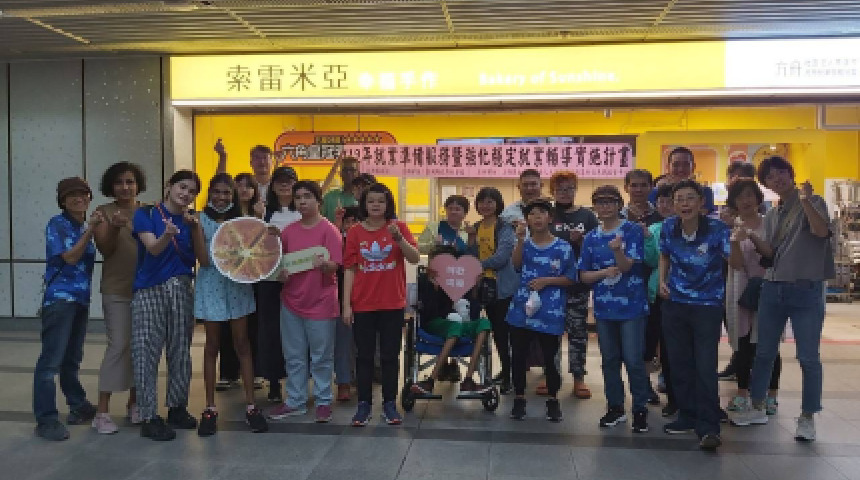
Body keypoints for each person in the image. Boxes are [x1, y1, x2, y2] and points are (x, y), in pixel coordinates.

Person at [729, 156, 834, 442]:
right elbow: (771, 254)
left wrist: (806, 200)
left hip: (806, 289)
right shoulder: (774, 214)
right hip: (773, 288)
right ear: (767, 184)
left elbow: (821, 231)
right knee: (764, 352)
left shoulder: (815, 202)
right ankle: (758, 406)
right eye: (771, 177)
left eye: (781, 172)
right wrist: (750, 236)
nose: (778, 179)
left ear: (791, 173)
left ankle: (807, 417)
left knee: (808, 357)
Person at [131, 170, 205, 441]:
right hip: (149, 290)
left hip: (182, 288)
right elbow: (152, 248)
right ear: (169, 186)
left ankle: (177, 407)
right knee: (146, 353)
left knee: (180, 351)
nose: (185, 194)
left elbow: (201, 258)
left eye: (192, 191)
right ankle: (149, 416)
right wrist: (167, 234)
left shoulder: (192, 220)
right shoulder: (146, 213)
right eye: (181, 187)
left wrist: (195, 229)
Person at [658, 179, 730, 450]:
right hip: (675, 303)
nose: (684, 204)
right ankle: (687, 415)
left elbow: (733, 261)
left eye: (690, 198)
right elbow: (664, 256)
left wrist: (738, 242)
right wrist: (662, 281)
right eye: (679, 199)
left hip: (707, 306)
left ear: (701, 202)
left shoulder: (717, 229)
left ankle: (709, 426)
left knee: (705, 365)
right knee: (679, 364)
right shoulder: (668, 227)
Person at [194, 174, 268, 436]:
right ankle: (210, 407)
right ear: (210, 193)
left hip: (238, 285)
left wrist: (261, 223)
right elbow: (204, 260)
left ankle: (251, 406)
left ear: (233, 195)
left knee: (242, 344)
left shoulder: (242, 219)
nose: (221, 197)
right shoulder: (199, 219)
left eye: (226, 193)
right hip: (211, 285)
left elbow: (256, 252)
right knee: (212, 345)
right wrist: (196, 231)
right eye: (216, 192)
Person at [343, 183, 420, 426]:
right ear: (364, 205)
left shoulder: (399, 228)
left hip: (392, 304)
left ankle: (389, 404)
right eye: (371, 201)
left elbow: (414, 258)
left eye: (381, 201)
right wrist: (346, 305)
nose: (376, 205)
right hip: (363, 304)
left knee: (389, 356)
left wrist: (399, 239)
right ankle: (364, 405)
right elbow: (349, 269)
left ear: (388, 204)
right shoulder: (355, 232)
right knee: (364, 357)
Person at [33, 177, 101, 441]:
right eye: (71, 195)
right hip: (60, 300)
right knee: (51, 361)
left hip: (80, 300)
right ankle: (46, 419)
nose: (78, 198)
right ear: (62, 201)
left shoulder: (84, 225)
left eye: (83, 193)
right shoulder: (57, 224)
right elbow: (70, 257)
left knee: (72, 358)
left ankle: (78, 404)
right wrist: (91, 230)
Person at [578, 185, 650, 433]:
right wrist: (602, 273)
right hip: (604, 308)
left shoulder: (632, 230)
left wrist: (617, 250)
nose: (605, 206)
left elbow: (628, 266)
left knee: (633, 359)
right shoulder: (590, 237)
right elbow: (584, 275)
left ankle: (640, 408)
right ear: (594, 207)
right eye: (600, 202)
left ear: (620, 204)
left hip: (632, 307)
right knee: (609, 360)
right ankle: (615, 407)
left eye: (610, 201)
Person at [269, 181, 343, 423]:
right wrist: (279, 275)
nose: (302, 201)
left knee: (321, 356)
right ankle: (295, 400)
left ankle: (323, 401)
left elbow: (336, 265)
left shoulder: (329, 230)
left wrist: (326, 265)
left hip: (321, 302)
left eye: (307, 196)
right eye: (298, 197)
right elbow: (279, 265)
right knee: (294, 355)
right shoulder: (288, 232)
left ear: (318, 201)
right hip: (291, 302)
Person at [507, 199, 576, 422]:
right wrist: (519, 240)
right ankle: (519, 398)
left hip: (550, 310)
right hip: (522, 309)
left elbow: (571, 278)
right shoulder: (525, 244)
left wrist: (547, 281)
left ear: (550, 218)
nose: (537, 217)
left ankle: (553, 400)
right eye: (532, 214)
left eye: (541, 213)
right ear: (526, 220)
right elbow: (516, 265)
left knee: (550, 357)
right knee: (518, 355)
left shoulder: (563, 247)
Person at [91, 163, 146, 434]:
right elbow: (105, 248)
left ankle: (134, 404)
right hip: (116, 290)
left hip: (145, 291)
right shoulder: (103, 212)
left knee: (139, 348)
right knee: (119, 345)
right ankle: (101, 412)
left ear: (138, 184)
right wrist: (114, 227)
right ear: (110, 186)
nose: (125, 187)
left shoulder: (148, 211)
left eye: (130, 181)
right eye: (119, 182)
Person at [723, 179, 781, 415]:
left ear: (758, 198)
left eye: (749, 195)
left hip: (769, 288)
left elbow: (773, 255)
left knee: (769, 344)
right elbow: (735, 264)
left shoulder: (770, 224)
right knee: (742, 344)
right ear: (734, 202)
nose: (745, 200)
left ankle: (771, 395)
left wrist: (752, 236)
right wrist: (736, 241)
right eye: (739, 197)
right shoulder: (729, 229)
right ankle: (742, 393)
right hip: (740, 290)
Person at [410, 245, 493, 395]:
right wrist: (434, 289)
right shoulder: (424, 281)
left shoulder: (461, 280)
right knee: (455, 326)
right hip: (435, 322)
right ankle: (430, 381)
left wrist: (474, 288)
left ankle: (468, 379)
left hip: (461, 321)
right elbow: (426, 311)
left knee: (484, 323)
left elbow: (473, 311)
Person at [547, 171, 598, 399]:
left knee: (578, 334)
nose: (565, 193)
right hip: (551, 285)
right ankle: (551, 376)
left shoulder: (587, 216)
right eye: (560, 189)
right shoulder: (546, 214)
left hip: (577, 285)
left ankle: (579, 378)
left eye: (569, 188)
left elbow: (598, 246)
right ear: (552, 192)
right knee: (550, 333)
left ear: (575, 190)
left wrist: (583, 239)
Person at [466, 187, 518, 394]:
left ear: (498, 204)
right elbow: (470, 255)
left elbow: (502, 257)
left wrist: (478, 265)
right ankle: (503, 372)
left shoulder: (505, 227)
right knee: (492, 331)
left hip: (502, 288)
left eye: (490, 202)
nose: (485, 206)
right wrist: (471, 239)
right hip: (482, 287)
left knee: (504, 333)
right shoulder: (476, 227)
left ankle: (509, 375)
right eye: (482, 202)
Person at [216, 172, 263, 392]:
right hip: (230, 276)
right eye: (240, 185)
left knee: (252, 327)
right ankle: (228, 373)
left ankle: (254, 373)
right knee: (226, 326)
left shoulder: (260, 212)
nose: (244, 190)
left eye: (248, 186)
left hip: (255, 277)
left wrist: (260, 218)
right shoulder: (226, 214)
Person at [258, 166, 301, 403]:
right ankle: (273, 382)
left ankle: (299, 382)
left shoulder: (303, 211)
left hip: (300, 279)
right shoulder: (263, 212)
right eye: (280, 181)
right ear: (272, 186)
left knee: (299, 332)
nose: (285, 185)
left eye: (289, 181)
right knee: (272, 331)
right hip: (270, 280)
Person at [718, 161, 759, 380]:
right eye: (733, 176)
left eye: (743, 176)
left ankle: (757, 377)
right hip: (731, 279)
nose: (737, 179)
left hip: (757, 282)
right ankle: (739, 366)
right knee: (736, 327)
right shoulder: (723, 213)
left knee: (758, 332)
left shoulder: (763, 215)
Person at [643, 183, 679, 417]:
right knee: (648, 342)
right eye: (661, 201)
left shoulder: (686, 227)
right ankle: (645, 386)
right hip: (655, 293)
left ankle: (675, 396)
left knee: (671, 348)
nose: (665, 205)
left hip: (681, 295)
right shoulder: (653, 228)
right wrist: (648, 239)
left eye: (669, 201)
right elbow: (650, 260)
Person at [333, 206, 361, 401]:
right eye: (347, 221)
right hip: (341, 301)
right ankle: (343, 382)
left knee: (362, 345)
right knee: (343, 343)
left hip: (367, 300)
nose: (351, 225)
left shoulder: (368, 242)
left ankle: (362, 379)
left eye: (355, 221)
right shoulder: (337, 242)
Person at [648, 147, 716, 215]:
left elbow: (706, 216)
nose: (681, 169)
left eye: (686, 165)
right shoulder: (655, 192)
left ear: (693, 167)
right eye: (676, 165)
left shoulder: (705, 191)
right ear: (668, 167)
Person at [321, 157, 360, 222]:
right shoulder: (329, 197)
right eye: (345, 170)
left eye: (352, 170)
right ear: (340, 173)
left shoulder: (364, 198)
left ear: (358, 173)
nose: (348, 173)